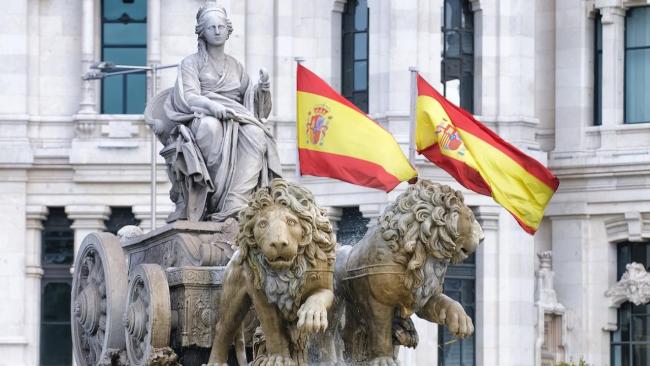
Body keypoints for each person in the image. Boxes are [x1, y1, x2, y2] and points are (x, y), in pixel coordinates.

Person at [163, 4, 282, 222]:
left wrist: (262, 89)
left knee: (257, 135)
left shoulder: (236, 66)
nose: (217, 31)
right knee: (211, 128)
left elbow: (253, 107)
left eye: (220, 27)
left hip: (235, 118)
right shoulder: (191, 63)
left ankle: (234, 202)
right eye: (211, 27)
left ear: (228, 30)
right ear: (202, 32)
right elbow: (189, 97)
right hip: (202, 117)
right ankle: (209, 199)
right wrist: (211, 107)